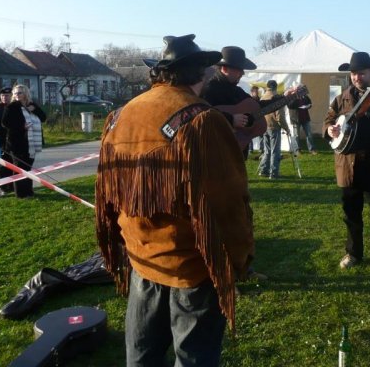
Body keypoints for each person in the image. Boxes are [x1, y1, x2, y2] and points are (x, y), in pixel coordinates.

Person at [95, 34, 255, 366]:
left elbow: (107, 194)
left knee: (142, 354)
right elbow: (227, 202)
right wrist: (238, 258)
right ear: (199, 73)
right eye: (207, 70)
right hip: (192, 266)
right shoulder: (202, 119)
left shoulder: (120, 115)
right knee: (194, 356)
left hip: (141, 257)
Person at [323, 52, 370, 274]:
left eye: (361, 73)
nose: (357, 77)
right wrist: (329, 129)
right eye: (354, 73)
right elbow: (328, 120)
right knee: (351, 212)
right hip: (349, 163)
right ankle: (353, 253)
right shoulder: (341, 98)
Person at [1, 85, 46, 198]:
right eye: (15, 93)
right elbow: (5, 123)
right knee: (19, 169)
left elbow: (43, 118)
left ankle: (29, 191)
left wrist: (34, 110)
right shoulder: (12, 106)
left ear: (26, 93)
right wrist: (22, 126)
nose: (17, 95)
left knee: (28, 168)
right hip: (17, 143)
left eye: (20, 93)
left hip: (31, 143)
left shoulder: (31, 105)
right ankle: (21, 194)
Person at [258, 80, 291, 179]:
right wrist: (286, 128)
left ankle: (263, 170)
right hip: (274, 127)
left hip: (264, 126)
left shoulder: (262, 97)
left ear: (267, 87)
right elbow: (280, 117)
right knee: (275, 151)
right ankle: (273, 172)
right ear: (276, 87)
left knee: (267, 150)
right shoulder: (277, 98)